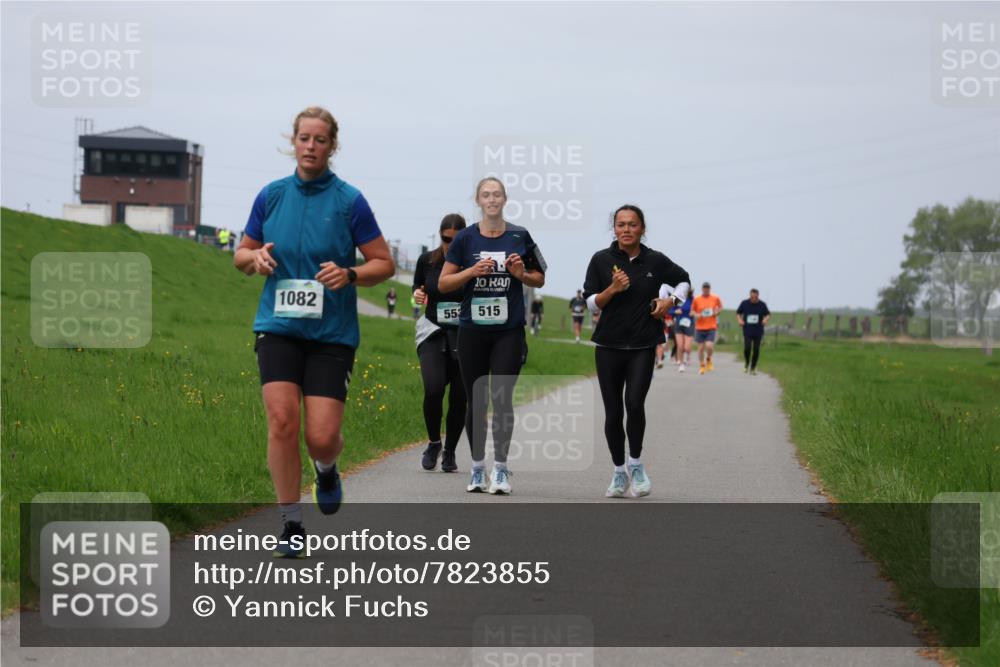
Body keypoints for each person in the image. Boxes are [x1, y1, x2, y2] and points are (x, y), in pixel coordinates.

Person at [234, 106, 395, 558]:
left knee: (320, 436)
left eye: (320, 140)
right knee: (282, 421)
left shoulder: (349, 201)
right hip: (278, 327)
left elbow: (384, 262)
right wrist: (256, 260)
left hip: (331, 334)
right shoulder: (272, 195)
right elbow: (241, 255)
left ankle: (326, 467)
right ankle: (290, 523)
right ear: (294, 141)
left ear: (332, 146)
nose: (310, 146)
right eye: (304, 138)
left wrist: (350, 273)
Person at [439, 177, 546, 495]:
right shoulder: (465, 239)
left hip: (508, 331)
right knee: (476, 400)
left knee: (501, 400)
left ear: (505, 199)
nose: (492, 199)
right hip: (472, 330)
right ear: (478, 199)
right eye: (486, 194)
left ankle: (500, 469)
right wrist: (471, 272)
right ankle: (476, 469)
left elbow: (540, 277)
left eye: (497, 194)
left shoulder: (520, 235)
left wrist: (520, 275)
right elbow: (444, 284)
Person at [583, 204, 690, 498]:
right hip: (608, 345)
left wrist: (672, 302)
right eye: (621, 224)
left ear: (642, 228)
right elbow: (592, 302)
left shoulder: (655, 260)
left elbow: (684, 280)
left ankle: (636, 465)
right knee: (613, 411)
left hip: (643, 344)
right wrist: (613, 288)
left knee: (634, 404)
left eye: (632, 224)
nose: (626, 229)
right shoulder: (601, 260)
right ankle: (619, 472)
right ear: (614, 228)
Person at [412, 214, 468, 472]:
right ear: (440, 236)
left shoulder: (472, 263)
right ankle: (434, 442)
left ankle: (450, 452)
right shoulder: (428, 261)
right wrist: (417, 293)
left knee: (459, 397)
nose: (450, 244)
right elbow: (417, 289)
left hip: (465, 335)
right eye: (446, 239)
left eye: (456, 240)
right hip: (433, 330)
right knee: (434, 389)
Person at [736, 288, 771, 374]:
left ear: (758, 296)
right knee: (747, 348)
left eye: (755, 297)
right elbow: (738, 313)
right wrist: (739, 320)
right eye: (752, 297)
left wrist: (765, 320)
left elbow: (768, 314)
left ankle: (753, 367)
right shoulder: (744, 303)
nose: (753, 299)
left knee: (756, 349)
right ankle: (747, 363)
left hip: (758, 330)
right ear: (750, 296)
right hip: (747, 330)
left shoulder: (762, 305)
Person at [691, 281, 722, 375]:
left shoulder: (715, 298)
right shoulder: (697, 299)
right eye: (704, 288)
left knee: (709, 345)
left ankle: (708, 359)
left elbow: (720, 307)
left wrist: (717, 312)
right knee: (700, 348)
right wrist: (696, 315)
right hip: (700, 327)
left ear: (709, 289)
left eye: (707, 288)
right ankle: (702, 365)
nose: (706, 289)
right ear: (702, 289)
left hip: (711, 326)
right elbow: (692, 312)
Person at [670, 292, 694, 372]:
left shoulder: (692, 299)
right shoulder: (677, 299)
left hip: (689, 324)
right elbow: (669, 310)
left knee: (686, 347)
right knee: (680, 346)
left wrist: (693, 313)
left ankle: (687, 356)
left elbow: (698, 310)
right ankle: (681, 365)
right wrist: (675, 312)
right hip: (678, 324)